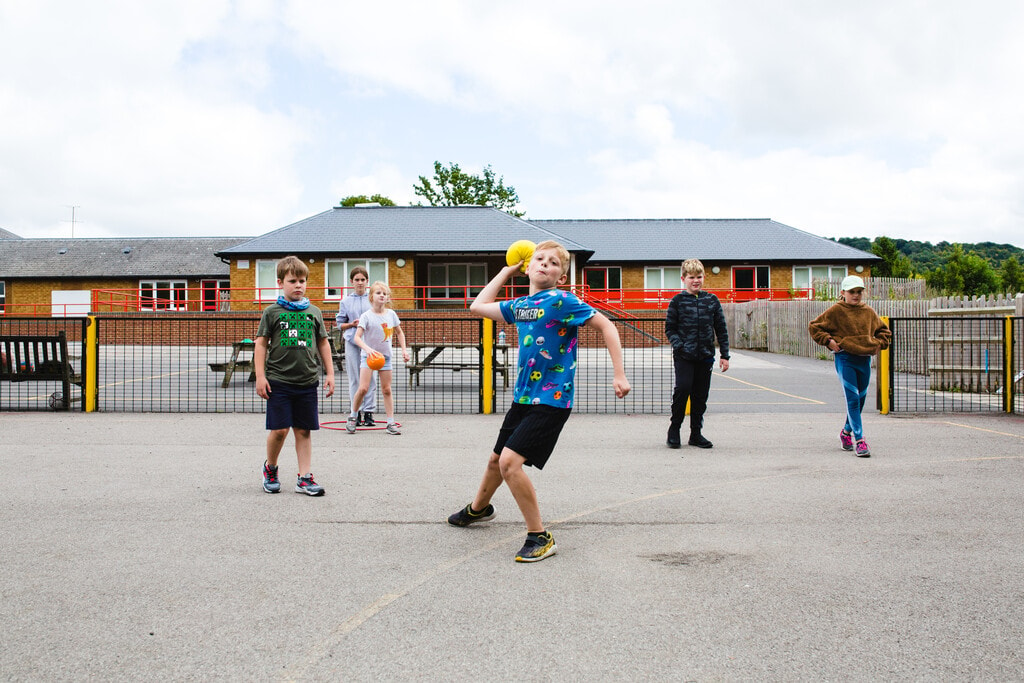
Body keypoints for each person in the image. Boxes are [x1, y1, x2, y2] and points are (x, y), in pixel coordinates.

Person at [447, 240, 631, 563]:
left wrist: (619, 373)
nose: (545, 264)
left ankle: (540, 536)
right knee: (495, 461)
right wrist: (506, 270)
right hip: (523, 398)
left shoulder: (562, 301)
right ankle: (479, 509)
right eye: (539, 259)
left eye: (554, 263)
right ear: (529, 268)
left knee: (509, 463)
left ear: (561, 276)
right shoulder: (519, 306)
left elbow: (607, 325)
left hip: (552, 400)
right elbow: (477, 307)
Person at [254, 256, 335, 496]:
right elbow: (260, 345)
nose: (298, 285)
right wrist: (260, 376)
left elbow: (323, 343)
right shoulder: (272, 312)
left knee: (303, 430)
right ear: (280, 282)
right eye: (292, 281)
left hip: (307, 381)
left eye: (302, 281)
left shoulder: (314, 312)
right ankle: (270, 468)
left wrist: (330, 373)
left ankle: (305, 478)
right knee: (280, 430)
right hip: (279, 381)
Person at [808, 274, 892, 457]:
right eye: (852, 292)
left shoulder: (868, 312)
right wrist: (829, 341)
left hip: (864, 359)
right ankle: (860, 441)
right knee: (852, 399)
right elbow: (815, 327)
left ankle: (846, 432)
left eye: (859, 292)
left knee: (860, 399)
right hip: (845, 358)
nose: (856, 295)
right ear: (843, 293)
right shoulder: (836, 311)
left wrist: (878, 344)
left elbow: (884, 332)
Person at [664, 258, 730, 450]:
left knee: (700, 396)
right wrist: (680, 346)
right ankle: (674, 428)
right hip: (684, 356)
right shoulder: (677, 301)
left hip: (705, 356)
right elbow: (670, 329)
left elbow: (721, 329)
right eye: (691, 277)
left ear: (704, 277)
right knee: (683, 389)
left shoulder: (712, 301)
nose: (696, 281)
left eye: (699, 277)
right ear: (683, 278)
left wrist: (724, 355)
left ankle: (696, 433)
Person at [346, 281, 410, 436]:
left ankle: (390, 422)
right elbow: (357, 337)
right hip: (368, 358)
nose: (382, 295)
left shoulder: (391, 315)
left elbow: (399, 332)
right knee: (363, 388)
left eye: (385, 293)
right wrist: (368, 350)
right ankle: (353, 416)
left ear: (388, 298)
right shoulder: (366, 316)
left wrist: (403, 350)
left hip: (385, 358)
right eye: (378, 293)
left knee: (387, 389)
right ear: (371, 297)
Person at [335, 267, 378, 427]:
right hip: (352, 342)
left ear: (367, 282)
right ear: (351, 282)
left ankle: (369, 412)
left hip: (369, 343)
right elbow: (340, 324)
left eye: (363, 280)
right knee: (355, 378)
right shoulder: (345, 301)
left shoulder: (373, 299)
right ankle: (356, 411)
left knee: (370, 378)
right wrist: (351, 325)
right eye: (357, 280)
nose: (360, 283)